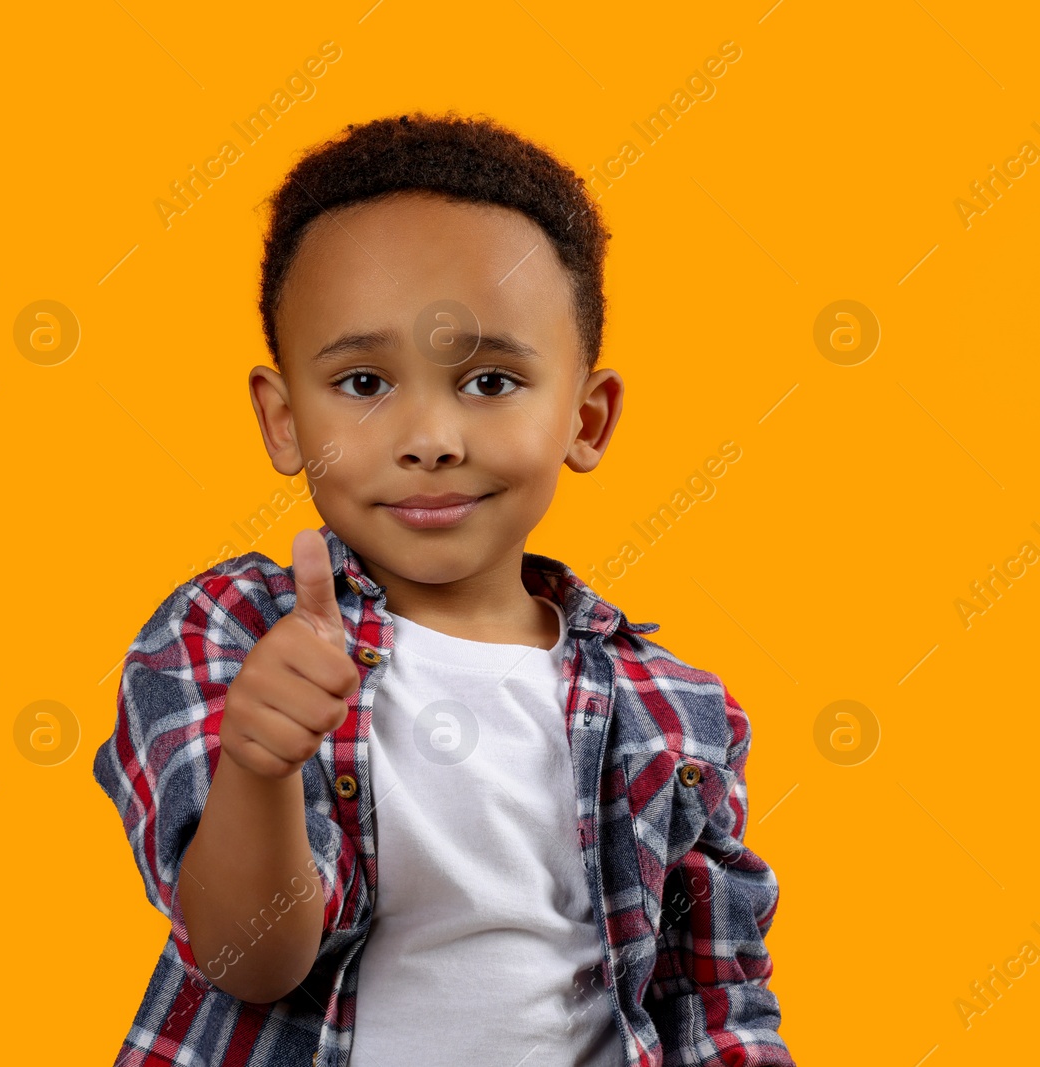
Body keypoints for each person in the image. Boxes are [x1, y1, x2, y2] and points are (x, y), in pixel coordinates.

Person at [91, 111, 794, 1067]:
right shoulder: (229, 636)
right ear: (283, 416)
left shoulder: (677, 712)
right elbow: (245, 958)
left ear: (585, 419)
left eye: (493, 381)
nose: (430, 436)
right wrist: (257, 768)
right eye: (366, 379)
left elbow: (712, 995)